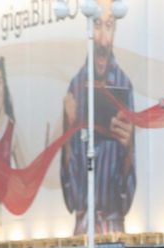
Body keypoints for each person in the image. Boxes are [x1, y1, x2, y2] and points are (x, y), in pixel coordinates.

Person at [60, 5, 135, 235]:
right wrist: (68, 131)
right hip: (83, 228)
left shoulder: (123, 84)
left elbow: (126, 197)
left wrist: (128, 147)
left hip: (113, 227)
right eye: (97, 24)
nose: (103, 38)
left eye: (109, 26)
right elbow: (71, 199)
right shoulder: (76, 86)